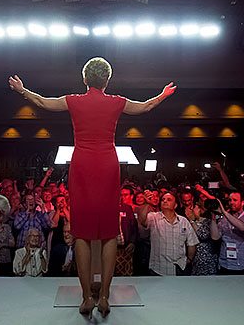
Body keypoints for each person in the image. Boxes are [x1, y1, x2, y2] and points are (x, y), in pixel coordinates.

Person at [9, 56, 176, 318]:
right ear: (107, 80)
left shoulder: (74, 100)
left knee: (82, 233)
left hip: (83, 165)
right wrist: (164, 94)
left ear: (85, 79)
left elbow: (43, 102)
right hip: (108, 164)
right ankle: (105, 296)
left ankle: (87, 297)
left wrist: (22, 91)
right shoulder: (117, 102)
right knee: (109, 232)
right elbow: (145, 107)